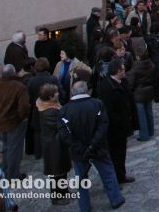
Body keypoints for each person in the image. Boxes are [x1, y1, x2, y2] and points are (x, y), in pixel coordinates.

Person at [58, 81, 125, 211]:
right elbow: (103, 125)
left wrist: (79, 147)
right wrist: (92, 144)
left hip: (79, 152)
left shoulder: (65, 110)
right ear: (86, 90)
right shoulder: (97, 104)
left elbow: (65, 133)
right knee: (107, 173)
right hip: (98, 147)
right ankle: (115, 199)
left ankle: (84, 206)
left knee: (81, 179)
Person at [0, 64, 29, 180]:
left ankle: (4, 172)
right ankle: (13, 175)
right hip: (15, 123)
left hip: (1, 123)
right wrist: (22, 118)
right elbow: (23, 107)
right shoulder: (19, 87)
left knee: (4, 149)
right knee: (14, 150)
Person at [96, 59, 135, 185]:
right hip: (114, 128)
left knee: (121, 152)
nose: (124, 71)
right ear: (118, 71)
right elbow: (108, 110)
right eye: (123, 69)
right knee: (114, 154)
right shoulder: (107, 87)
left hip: (122, 126)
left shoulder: (121, 83)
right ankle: (116, 179)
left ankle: (121, 175)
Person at [35, 84, 71, 204]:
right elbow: (59, 126)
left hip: (54, 142)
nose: (58, 94)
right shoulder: (50, 112)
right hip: (54, 144)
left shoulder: (49, 107)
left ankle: (64, 191)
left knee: (61, 169)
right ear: (50, 97)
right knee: (57, 171)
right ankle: (57, 196)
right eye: (56, 93)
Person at [27, 57, 63, 159]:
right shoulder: (52, 79)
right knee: (53, 132)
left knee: (38, 132)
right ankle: (53, 153)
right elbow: (61, 92)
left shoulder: (32, 81)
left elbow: (28, 96)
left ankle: (38, 153)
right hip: (52, 109)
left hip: (37, 110)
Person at [127, 47, 157, 141]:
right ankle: (150, 131)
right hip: (149, 91)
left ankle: (144, 134)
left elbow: (131, 82)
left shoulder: (136, 67)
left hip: (139, 92)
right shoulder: (151, 64)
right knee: (149, 112)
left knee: (141, 115)